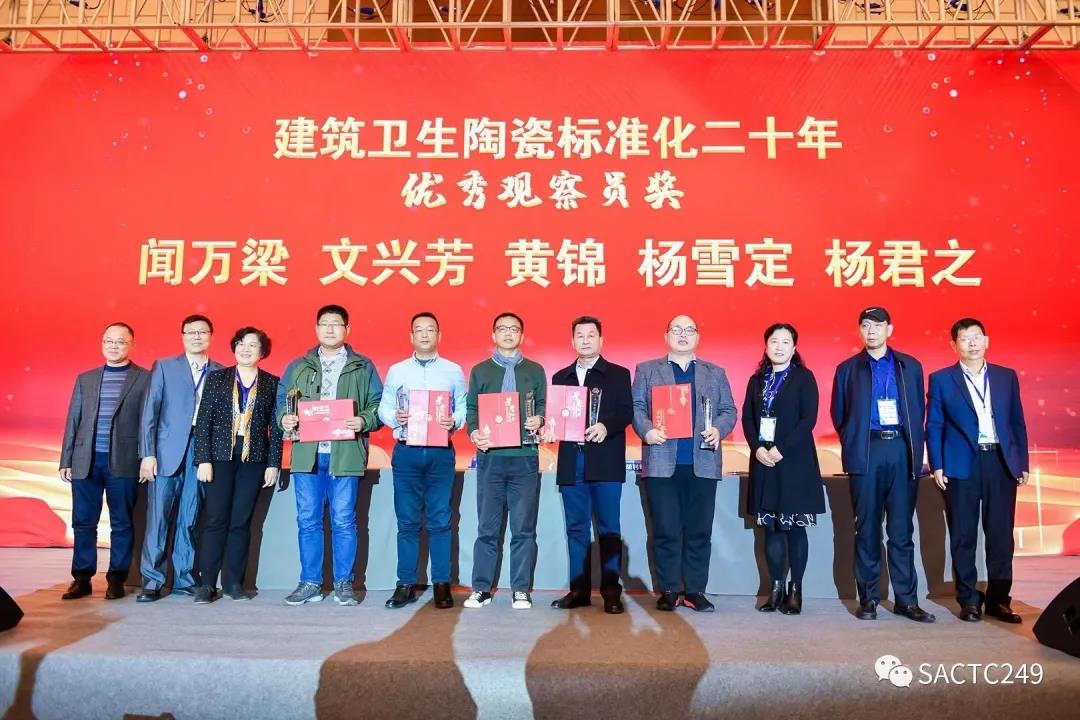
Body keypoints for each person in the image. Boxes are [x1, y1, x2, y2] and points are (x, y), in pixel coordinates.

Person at [831, 306, 934, 622]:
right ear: (859, 331)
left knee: (902, 530)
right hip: (868, 450)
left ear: (890, 329)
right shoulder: (848, 369)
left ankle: (907, 600)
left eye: (877, 325)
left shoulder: (909, 366)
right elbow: (839, 413)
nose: (871, 331)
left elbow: (918, 410)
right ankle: (869, 599)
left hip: (901, 449)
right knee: (867, 529)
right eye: (865, 325)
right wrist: (855, 438)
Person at [631, 315, 737, 613]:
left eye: (689, 330)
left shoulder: (715, 372)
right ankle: (669, 589)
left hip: (702, 462)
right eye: (676, 330)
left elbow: (729, 409)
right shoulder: (647, 370)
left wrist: (718, 430)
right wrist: (647, 431)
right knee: (665, 530)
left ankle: (695, 590)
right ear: (666, 336)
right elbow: (636, 406)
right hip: (662, 462)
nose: (683, 334)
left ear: (697, 337)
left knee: (699, 531)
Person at [278, 305, 382, 607]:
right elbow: (282, 402)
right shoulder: (299, 366)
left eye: (336, 324)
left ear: (347, 329)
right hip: (307, 455)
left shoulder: (362, 366)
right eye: (324, 324)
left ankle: (344, 583)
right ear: (316, 328)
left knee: (344, 520)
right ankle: (310, 582)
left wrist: (364, 420)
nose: (330, 329)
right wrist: (285, 419)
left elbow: (379, 404)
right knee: (308, 520)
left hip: (345, 454)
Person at [926, 318, 1029, 624]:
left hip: (1000, 462)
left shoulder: (1006, 376)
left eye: (976, 337)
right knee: (963, 535)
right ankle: (969, 600)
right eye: (964, 338)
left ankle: (999, 601)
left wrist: (1021, 462)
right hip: (961, 465)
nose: (972, 343)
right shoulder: (941, 379)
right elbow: (934, 424)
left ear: (986, 341)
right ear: (953, 345)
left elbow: (1017, 422)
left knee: (1000, 536)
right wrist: (937, 463)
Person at [377, 312, 467, 610]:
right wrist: (395, 416)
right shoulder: (397, 370)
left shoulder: (453, 370)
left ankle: (441, 583)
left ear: (439, 335)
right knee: (407, 521)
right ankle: (405, 583)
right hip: (407, 452)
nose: (425, 334)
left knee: (441, 520)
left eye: (430, 330)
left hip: (441, 453)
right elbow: (383, 408)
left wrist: (455, 419)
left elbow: (463, 406)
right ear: (411, 336)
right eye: (419, 330)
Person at [58, 322, 150, 601]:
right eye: (109, 341)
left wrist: (146, 457)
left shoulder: (145, 379)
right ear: (102, 344)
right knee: (83, 522)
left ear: (132, 345)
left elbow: (149, 423)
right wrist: (66, 458)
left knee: (122, 522)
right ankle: (82, 578)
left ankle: (116, 578)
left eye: (121, 341)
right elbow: (73, 419)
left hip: (124, 461)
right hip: (85, 460)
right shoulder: (85, 379)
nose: (114, 346)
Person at [549, 315, 633, 615]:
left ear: (601, 340)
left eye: (591, 335)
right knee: (576, 529)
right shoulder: (561, 377)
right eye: (580, 336)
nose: (585, 340)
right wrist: (549, 428)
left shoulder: (618, 374)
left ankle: (611, 591)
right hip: (572, 461)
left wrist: (606, 426)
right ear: (572, 341)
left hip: (606, 460)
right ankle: (579, 590)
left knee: (609, 528)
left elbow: (626, 412)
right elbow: (556, 418)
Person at [192, 327, 282, 604]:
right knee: (215, 519)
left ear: (262, 352)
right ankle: (207, 583)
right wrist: (203, 459)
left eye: (252, 345)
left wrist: (273, 464)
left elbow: (276, 428)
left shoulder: (272, 383)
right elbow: (203, 421)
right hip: (219, 457)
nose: (245, 349)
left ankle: (233, 583)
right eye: (241, 344)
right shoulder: (217, 378)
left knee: (241, 522)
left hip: (253, 459)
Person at [136, 314, 222, 602]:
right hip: (165, 451)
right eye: (191, 332)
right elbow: (150, 412)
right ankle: (152, 580)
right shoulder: (164, 367)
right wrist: (147, 454)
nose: (197, 336)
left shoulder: (220, 372)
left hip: (201, 450)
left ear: (211, 336)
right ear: (182, 336)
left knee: (190, 516)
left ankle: (184, 578)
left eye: (202, 332)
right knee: (158, 519)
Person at [741, 323, 825, 615]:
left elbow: (808, 420)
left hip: (794, 463)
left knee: (795, 530)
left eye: (785, 342)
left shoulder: (804, 378)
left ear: (794, 347)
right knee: (771, 529)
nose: (779, 347)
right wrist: (757, 448)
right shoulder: (756, 380)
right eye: (774, 341)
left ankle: (795, 590)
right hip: (764, 462)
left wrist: (781, 449)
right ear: (765, 346)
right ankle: (775, 589)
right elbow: (748, 419)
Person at [464, 312, 546, 610]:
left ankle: (520, 589)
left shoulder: (535, 370)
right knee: (487, 529)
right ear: (493, 335)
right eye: (502, 329)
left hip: (525, 457)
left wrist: (540, 419)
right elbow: (472, 410)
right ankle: (481, 588)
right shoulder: (480, 370)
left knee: (523, 529)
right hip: (491, 458)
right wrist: (474, 433)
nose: (508, 333)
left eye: (514, 329)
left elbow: (542, 405)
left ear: (522, 335)